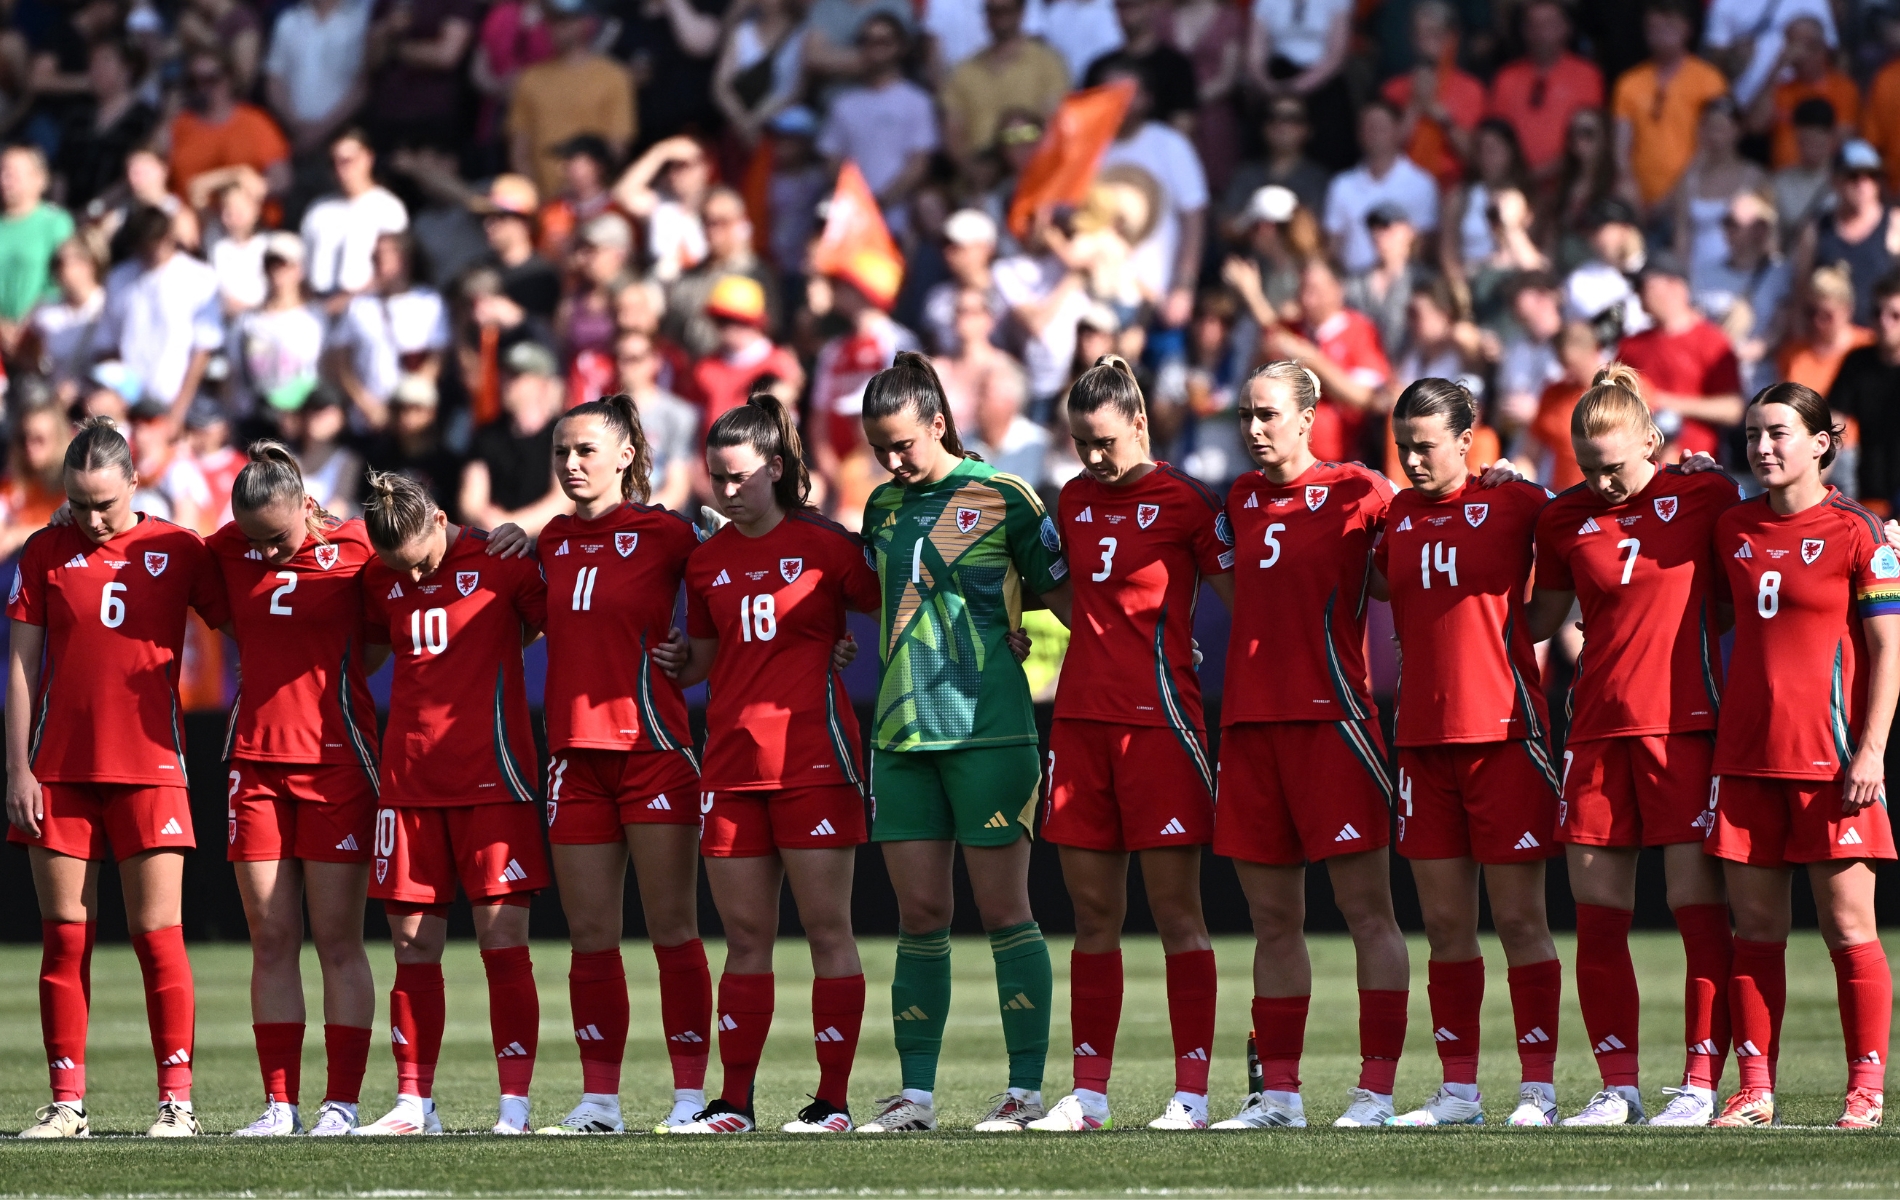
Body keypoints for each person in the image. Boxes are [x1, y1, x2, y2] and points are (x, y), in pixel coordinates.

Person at [479, 396, 716, 1134]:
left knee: (673, 927)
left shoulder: (670, 531)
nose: (571, 464)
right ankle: (600, 1102)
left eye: (585, 451)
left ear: (625, 456)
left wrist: (696, 652)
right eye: (561, 453)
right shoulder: (547, 540)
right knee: (590, 938)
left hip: (652, 752)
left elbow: (740, 582)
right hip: (574, 761)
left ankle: (687, 1097)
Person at [854, 352, 1070, 1134]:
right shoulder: (879, 508)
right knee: (919, 914)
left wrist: (1034, 644)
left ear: (939, 423)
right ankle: (914, 1097)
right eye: (880, 447)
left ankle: (1023, 1093)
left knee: (1005, 909)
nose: (891, 460)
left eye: (903, 443)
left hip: (991, 730)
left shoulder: (1004, 496)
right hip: (902, 736)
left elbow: (1069, 599)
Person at [656, 394, 881, 1135]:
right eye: (715, 478)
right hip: (730, 766)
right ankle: (735, 1102)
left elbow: (898, 611)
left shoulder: (827, 546)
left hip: (816, 760)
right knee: (746, 939)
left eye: (738, 477)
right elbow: (709, 664)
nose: (723, 491)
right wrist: (678, 662)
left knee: (827, 931)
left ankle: (834, 1101)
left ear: (775, 470)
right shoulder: (707, 561)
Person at [1525, 367, 1741, 1126]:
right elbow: (1539, 619)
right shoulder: (1562, 519)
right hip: (1594, 732)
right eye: (1588, 467)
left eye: (1614, 465)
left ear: (1653, 439)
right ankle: (1617, 1086)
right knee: (1598, 913)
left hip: (1682, 729)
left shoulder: (1707, 494)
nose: (1603, 481)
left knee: (1695, 908)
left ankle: (1700, 1083)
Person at [1201, 361, 1412, 1128]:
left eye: (1267, 414)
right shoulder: (1239, 497)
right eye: (1246, 414)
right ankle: (1279, 1096)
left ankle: (1377, 1094)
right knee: (1273, 924)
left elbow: (1402, 575)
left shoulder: (1362, 491)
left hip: (1336, 726)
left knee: (1368, 915)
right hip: (1251, 730)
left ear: (1308, 415)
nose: (1254, 428)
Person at [7, 419, 231, 1138]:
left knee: (157, 934)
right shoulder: (43, 551)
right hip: (59, 771)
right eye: (78, 502)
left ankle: (176, 1103)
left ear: (135, 483)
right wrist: (18, 767)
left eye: (104, 502)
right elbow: (19, 666)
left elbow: (247, 607)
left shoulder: (176, 549)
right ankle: (67, 1101)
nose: (92, 517)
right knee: (63, 937)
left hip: (151, 767)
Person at [1026, 357, 1230, 1133]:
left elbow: (1244, 597)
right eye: (1081, 442)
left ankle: (1192, 1094)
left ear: (1139, 423)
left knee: (1178, 912)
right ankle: (1090, 1095)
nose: (1093, 457)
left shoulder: (1186, 501)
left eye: (1105, 440)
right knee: (1091, 915)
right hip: (1079, 726)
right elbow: (1054, 586)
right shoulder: (1072, 500)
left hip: (1163, 727)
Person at [1704, 382, 1899, 1130]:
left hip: (1833, 764)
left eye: (1779, 433)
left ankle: (1867, 1093)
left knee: (1850, 930)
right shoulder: (1730, 526)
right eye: (1753, 433)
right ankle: (1754, 1090)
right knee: (1753, 934)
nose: (1762, 447)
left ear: (1821, 442)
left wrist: (1872, 750)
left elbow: (1889, 652)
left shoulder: (1860, 532)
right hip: (1746, 760)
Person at [1370, 379, 1564, 1128]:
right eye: (1404, 446)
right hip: (1421, 744)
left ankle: (1539, 1089)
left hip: (1506, 739)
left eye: (1426, 445)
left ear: (1465, 439)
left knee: (1520, 923)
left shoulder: (1517, 503)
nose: (1414, 459)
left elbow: (1590, 535)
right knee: (1447, 929)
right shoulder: (1394, 516)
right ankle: (1458, 1092)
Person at [353, 471, 550, 1136]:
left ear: (439, 520)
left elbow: (565, 628)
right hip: (407, 785)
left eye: (417, 564)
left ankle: (514, 1105)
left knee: (502, 942)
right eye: (394, 569)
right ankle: (414, 1103)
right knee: (411, 945)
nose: (406, 581)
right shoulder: (379, 574)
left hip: (494, 781)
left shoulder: (502, 561)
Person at [208, 444, 385, 1137]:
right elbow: (225, 610)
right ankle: (278, 1105)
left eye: (277, 539)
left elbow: (378, 638)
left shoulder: (360, 547)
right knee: (272, 936)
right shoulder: (225, 549)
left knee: (338, 938)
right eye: (253, 541)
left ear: (309, 507)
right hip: (253, 766)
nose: (266, 554)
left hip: (337, 762)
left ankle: (340, 1103)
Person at [94, 206, 224, 426]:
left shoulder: (199, 277)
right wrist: (119, 397)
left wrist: (178, 411)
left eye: (157, 241)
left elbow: (203, 350)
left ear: (170, 235)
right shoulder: (118, 279)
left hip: (178, 402)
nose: (152, 250)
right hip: (129, 403)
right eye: (145, 245)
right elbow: (107, 345)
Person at [817, 16, 940, 237]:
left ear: (901, 47)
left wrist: (881, 202)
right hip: (851, 224)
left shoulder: (917, 102)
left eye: (884, 41)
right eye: (868, 41)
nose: (876, 49)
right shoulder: (843, 104)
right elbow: (832, 160)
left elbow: (919, 163)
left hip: (901, 223)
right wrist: (859, 202)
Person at [1615, 253, 1745, 461]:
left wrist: (1661, 401)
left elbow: (1733, 409)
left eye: (1644, 284)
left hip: (1697, 466)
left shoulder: (1712, 341)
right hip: (1642, 471)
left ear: (1674, 285)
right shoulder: (1630, 346)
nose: (1637, 292)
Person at [1609, 0, 1729, 220]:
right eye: (1654, 28)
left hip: (1691, 194)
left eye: (1671, 26)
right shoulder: (1629, 83)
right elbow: (1621, 146)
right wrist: (1629, 184)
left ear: (1688, 30)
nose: (1662, 34)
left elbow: (1712, 144)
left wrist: (1673, 196)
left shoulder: (1709, 80)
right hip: (1638, 200)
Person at [507, 0, 636, 200]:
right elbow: (519, 151)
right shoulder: (530, 79)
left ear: (585, 22)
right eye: (552, 21)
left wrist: (587, 192)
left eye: (565, 20)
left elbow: (617, 147)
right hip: (545, 206)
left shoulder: (613, 77)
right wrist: (539, 201)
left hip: (595, 203)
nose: (557, 28)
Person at [941, 0, 1070, 169]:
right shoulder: (963, 72)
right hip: (979, 170)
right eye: (993, 11)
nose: (1000, 18)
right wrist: (971, 169)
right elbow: (953, 134)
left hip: (1032, 165)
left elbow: (1055, 123)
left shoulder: (1047, 63)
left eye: (1006, 11)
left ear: (1021, 12)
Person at [1486, 0, 1603, 182]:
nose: (1541, 33)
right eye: (1534, 25)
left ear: (1566, 28)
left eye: (1549, 24)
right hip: (1514, 186)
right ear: (1524, 31)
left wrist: (1538, 175)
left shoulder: (1587, 76)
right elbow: (1495, 138)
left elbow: (1590, 138)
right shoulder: (1506, 77)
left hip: (1567, 186)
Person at [462, 341, 570, 536]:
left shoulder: (562, 433)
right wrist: (492, 523)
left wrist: (510, 525)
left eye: (517, 376)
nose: (506, 381)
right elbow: (470, 501)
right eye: (505, 374)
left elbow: (563, 500)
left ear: (542, 383)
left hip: (547, 544)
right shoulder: (487, 435)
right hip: (494, 541)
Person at [1322, 101, 1439, 276]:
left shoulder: (1421, 183)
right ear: (1359, 134)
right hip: (1352, 285)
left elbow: (1424, 245)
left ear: (1398, 130)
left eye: (1381, 127)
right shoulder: (1341, 185)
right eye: (1368, 127)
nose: (1374, 133)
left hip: (1406, 283)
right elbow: (1333, 244)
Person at [1794, 141, 1900, 329]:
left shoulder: (1895, 224)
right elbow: (1800, 291)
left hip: (1880, 344)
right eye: (1853, 176)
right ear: (1835, 180)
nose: (1863, 184)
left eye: (1872, 176)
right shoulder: (1816, 230)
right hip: (1830, 342)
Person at [300, 130, 410, 300]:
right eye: (334, 162)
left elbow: (394, 269)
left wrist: (347, 299)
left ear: (368, 158)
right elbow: (304, 263)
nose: (340, 168)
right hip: (319, 305)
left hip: (368, 304)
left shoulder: (388, 207)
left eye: (347, 161)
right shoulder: (318, 210)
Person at [1830, 274, 1900, 515]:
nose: (1884, 322)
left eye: (1895, 315)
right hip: (1873, 493)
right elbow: (1833, 425)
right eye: (1877, 313)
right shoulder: (1857, 362)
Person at [0, 146, 76, 332]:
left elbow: (58, 285)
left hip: (35, 335)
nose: (5, 180)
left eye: (12, 174)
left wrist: (25, 327)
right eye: (2, 171)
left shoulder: (54, 223)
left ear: (39, 179)